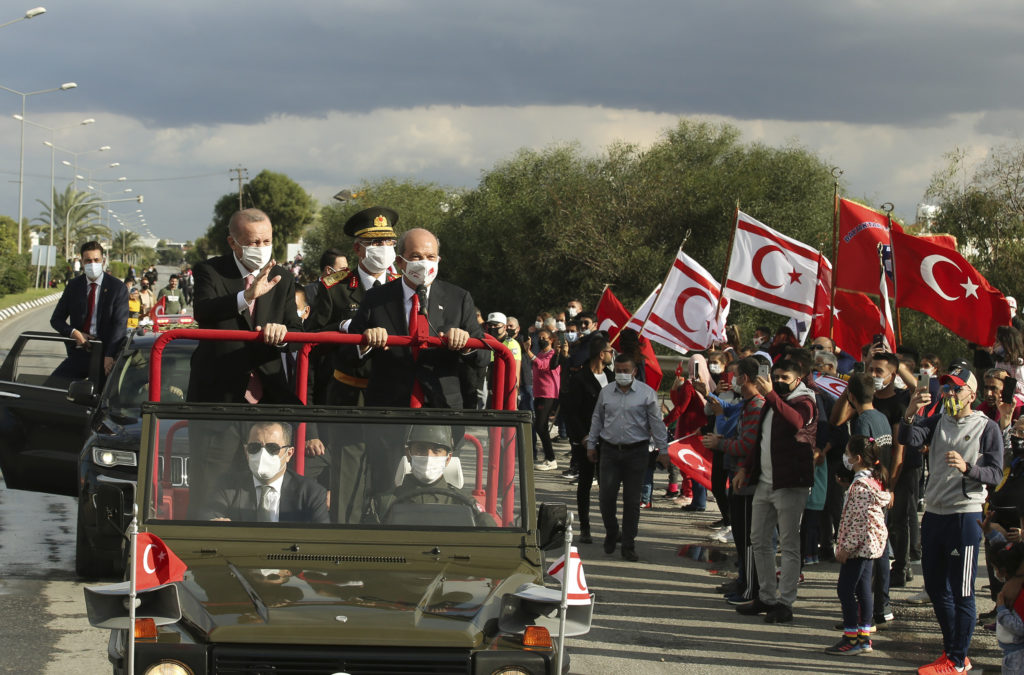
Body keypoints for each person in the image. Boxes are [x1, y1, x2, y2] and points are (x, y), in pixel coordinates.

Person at [901, 363, 1004, 675]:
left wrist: (968, 468)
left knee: (962, 591)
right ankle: (952, 651)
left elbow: (996, 473)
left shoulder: (987, 427)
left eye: (956, 388)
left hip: (965, 516)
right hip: (934, 514)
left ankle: (958, 659)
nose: (949, 393)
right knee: (934, 587)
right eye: (946, 387)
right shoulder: (937, 419)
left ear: (971, 393)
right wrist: (910, 411)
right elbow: (909, 439)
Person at [346, 227, 484, 409]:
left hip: (442, 408)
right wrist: (365, 342)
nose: (424, 263)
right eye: (416, 257)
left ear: (439, 260)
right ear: (399, 261)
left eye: (431, 257)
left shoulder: (459, 298)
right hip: (388, 409)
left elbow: (483, 356)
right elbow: (346, 355)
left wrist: (466, 345)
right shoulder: (375, 298)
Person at [188, 208, 302, 404]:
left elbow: (297, 331)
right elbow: (203, 311)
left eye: (267, 242)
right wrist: (246, 297)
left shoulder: (282, 278)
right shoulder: (210, 271)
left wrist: (281, 335)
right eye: (253, 242)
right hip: (218, 392)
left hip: (269, 392)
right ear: (233, 242)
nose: (261, 248)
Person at [736, 359, 817, 624]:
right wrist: (744, 469)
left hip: (791, 484)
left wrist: (771, 394)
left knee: (789, 544)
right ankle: (766, 596)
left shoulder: (805, 401)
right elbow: (760, 440)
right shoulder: (770, 403)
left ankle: (786, 601)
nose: (780, 380)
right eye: (777, 375)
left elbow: (796, 423)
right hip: (765, 483)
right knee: (758, 539)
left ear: (799, 378)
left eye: (786, 377)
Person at [308, 209, 400, 407]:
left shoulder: (402, 287)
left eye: (389, 242)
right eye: (376, 243)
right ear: (358, 249)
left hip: (393, 393)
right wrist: (343, 327)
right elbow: (312, 338)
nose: (384, 248)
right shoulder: (334, 288)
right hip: (348, 395)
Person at [587, 353, 669, 562]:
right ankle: (612, 531)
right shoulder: (606, 393)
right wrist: (591, 444)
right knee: (606, 497)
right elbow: (597, 418)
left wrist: (663, 450)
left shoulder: (646, 394)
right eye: (618, 370)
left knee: (632, 501)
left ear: (634, 371)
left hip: (637, 451)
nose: (621, 374)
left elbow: (657, 423)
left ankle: (629, 544)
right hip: (610, 450)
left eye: (625, 371)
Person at [704, 356, 765, 605]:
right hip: (738, 476)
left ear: (745, 379)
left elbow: (747, 444)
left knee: (748, 537)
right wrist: (707, 394)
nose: (733, 381)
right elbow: (727, 410)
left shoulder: (757, 406)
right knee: (740, 535)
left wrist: (720, 443)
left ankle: (751, 588)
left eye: (736, 376)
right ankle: (743, 581)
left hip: (748, 480)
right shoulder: (747, 403)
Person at [825, 435, 892, 656]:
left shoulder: (861, 487)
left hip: (859, 547)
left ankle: (851, 637)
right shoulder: (871, 481)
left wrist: (846, 548)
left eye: (848, 453)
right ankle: (863, 637)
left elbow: (859, 522)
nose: (845, 457)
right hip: (868, 546)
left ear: (858, 458)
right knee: (863, 590)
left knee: (845, 590)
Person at [202, 421, 329, 524]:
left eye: (272, 448)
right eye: (254, 448)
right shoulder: (227, 486)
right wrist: (215, 523)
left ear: (289, 453)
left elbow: (322, 541)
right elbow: (209, 514)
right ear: (246, 451)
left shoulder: (311, 493)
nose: (263, 454)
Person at [382, 425, 492, 526]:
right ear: (408, 454)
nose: (428, 456)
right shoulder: (386, 503)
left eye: (436, 451)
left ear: (448, 459)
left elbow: (489, 535)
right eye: (421, 448)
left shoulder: (465, 504)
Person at [49, 241, 129, 379]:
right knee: (53, 388)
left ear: (103, 261)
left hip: (106, 354)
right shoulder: (74, 286)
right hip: (79, 352)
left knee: (103, 397)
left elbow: (120, 325)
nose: (92, 264)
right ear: (82, 262)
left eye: (96, 260)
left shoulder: (117, 288)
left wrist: (109, 355)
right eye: (88, 261)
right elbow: (56, 320)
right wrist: (75, 333)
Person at [563, 336, 614, 544]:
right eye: (609, 351)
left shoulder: (612, 377)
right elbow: (571, 412)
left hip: (608, 440)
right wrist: (583, 436)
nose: (612, 354)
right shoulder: (579, 379)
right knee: (584, 483)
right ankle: (585, 526)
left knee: (607, 486)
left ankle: (611, 527)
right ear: (601, 354)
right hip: (586, 440)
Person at [530, 328, 565, 470]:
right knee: (541, 426)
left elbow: (543, 366)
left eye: (544, 337)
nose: (541, 340)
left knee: (539, 426)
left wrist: (529, 352)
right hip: (538, 393)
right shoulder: (540, 353)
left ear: (551, 340)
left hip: (548, 393)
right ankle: (548, 458)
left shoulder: (553, 354)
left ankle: (551, 458)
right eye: (539, 337)